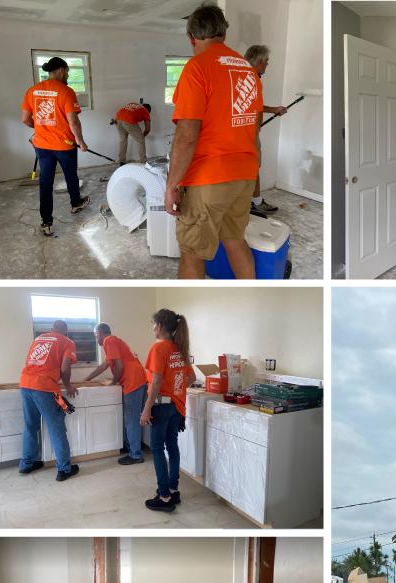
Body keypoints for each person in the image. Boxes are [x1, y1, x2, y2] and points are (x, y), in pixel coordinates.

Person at [166, 5, 263, 279]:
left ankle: (187, 316)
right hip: (243, 174)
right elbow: (253, 129)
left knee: (193, 253)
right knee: (235, 241)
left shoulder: (197, 67)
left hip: (208, 178)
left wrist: (172, 185)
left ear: (191, 37)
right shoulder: (248, 70)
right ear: (223, 32)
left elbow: (186, 136)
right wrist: (254, 175)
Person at [20, 56, 90, 237]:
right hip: (65, 145)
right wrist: (80, 141)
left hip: (42, 146)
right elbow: (73, 122)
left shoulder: (32, 91)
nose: (67, 75)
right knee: (70, 175)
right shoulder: (66, 91)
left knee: (46, 182)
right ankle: (76, 204)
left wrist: (41, 129)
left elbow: (25, 119)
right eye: (67, 71)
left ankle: (46, 222)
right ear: (61, 70)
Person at [140, 309, 195, 512]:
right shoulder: (179, 348)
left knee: (156, 448)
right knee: (172, 446)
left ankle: (164, 497)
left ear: (161, 326)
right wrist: (175, 391)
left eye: (153, 324)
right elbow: (190, 378)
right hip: (176, 406)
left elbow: (156, 381)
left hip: (162, 406)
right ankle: (173, 489)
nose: (152, 328)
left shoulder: (159, 348)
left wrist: (146, 409)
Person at [18, 320, 79, 481]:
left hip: (25, 384)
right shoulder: (67, 342)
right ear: (66, 331)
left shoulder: (39, 339)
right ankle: (64, 469)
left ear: (52, 329)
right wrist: (68, 386)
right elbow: (65, 367)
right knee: (56, 426)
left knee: (30, 425)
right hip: (45, 388)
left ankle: (27, 463)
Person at [83, 323, 148, 465]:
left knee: (131, 419)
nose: (96, 339)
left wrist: (113, 381)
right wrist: (87, 379)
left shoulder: (109, 341)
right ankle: (132, 448)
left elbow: (119, 366)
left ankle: (135, 454)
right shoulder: (114, 341)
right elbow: (104, 365)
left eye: (95, 335)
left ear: (100, 333)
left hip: (133, 382)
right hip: (138, 379)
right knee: (132, 417)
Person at [243, 45, 288, 218]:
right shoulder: (252, 78)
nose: (267, 65)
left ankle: (254, 201)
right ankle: (252, 203)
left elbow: (254, 106)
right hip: (249, 134)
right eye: (267, 62)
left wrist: (273, 109)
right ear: (260, 61)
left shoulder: (246, 76)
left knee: (253, 168)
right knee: (252, 168)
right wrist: (254, 131)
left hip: (250, 132)